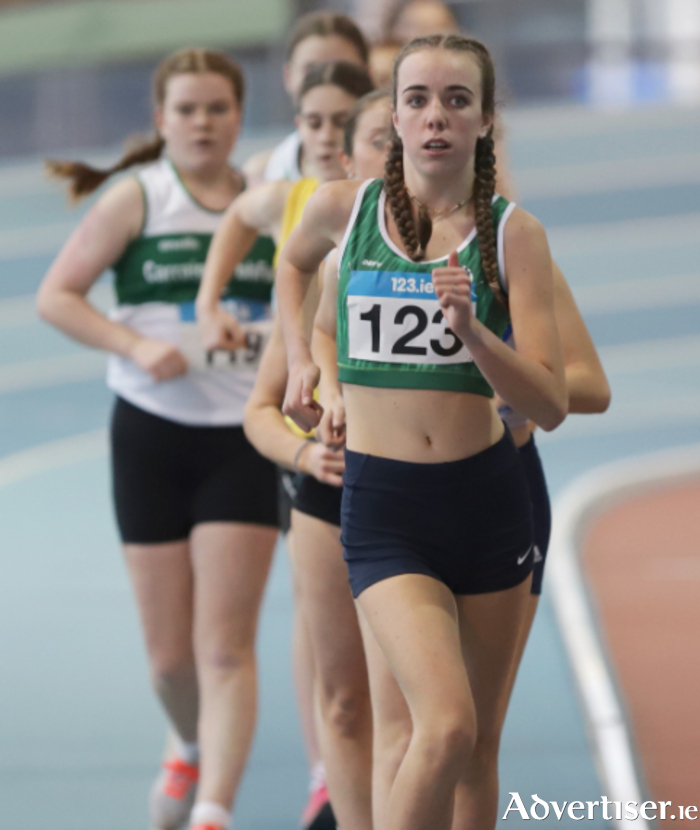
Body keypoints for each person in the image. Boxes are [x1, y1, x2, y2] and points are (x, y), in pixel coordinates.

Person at [276, 34, 568, 830]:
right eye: (417, 100)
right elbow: (292, 264)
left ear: (484, 122)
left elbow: (551, 402)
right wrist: (306, 360)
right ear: (395, 118)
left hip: (485, 503)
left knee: (477, 749)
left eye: (456, 100)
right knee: (442, 727)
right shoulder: (347, 208)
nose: (435, 116)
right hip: (386, 510)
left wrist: (474, 333)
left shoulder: (514, 236)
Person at [36, 49, 278, 830]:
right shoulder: (135, 200)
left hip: (242, 438)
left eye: (217, 108)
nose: (203, 122)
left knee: (225, 648)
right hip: (151, 435)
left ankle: (213, 811)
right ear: (161, 121)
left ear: (239, 116)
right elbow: (57, 297)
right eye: (187, 110)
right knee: (171, 662)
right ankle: (185, 739)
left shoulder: (275, 205)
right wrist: (134, 346)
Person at [196, 63, 375, 830]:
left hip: (436, 493)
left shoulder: (474, 242)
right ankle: (329, 791)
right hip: (327, 487)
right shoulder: (306, 241)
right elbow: (264, 411)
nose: (332, 143)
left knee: (435, 715)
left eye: (351, 126)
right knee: (342, 693)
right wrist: (211, 304)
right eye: (318, 125)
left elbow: (567, 379)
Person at [244, 11, 370, 185]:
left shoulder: (400, 168)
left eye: (342, 70)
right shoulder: (265, 174)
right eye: (311, 71)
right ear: (288, 76)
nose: (326, 80)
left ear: (367, 73)